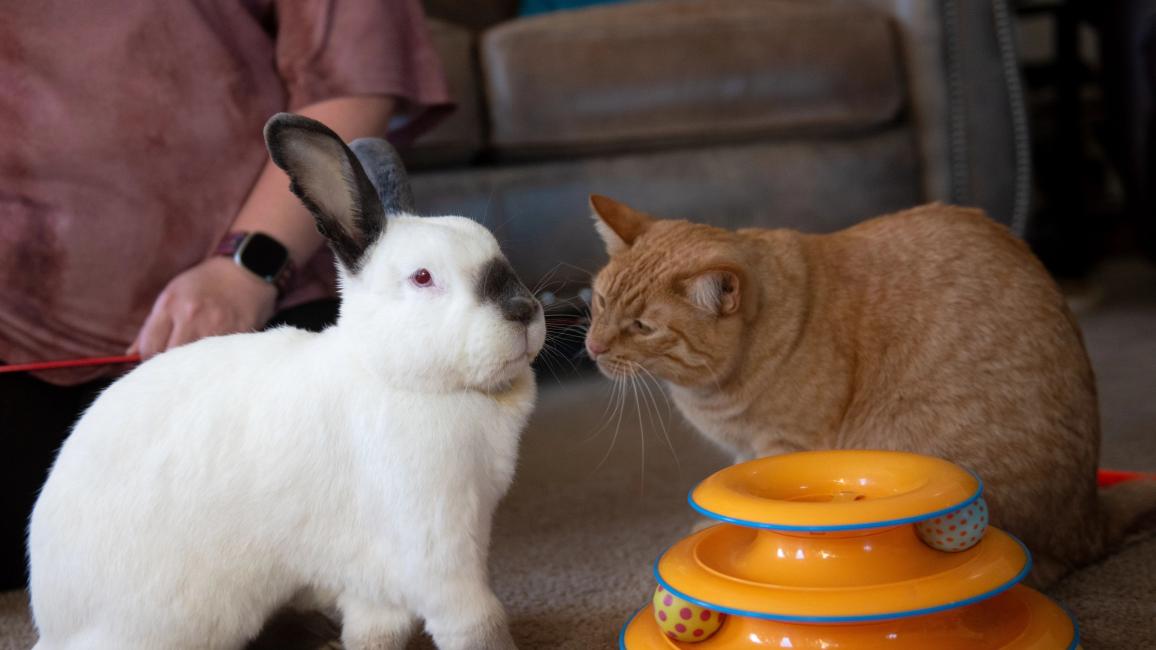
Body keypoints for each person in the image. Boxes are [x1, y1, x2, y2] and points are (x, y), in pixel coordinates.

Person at [0, 0, 451, 590]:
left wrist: (246, 267)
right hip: (20, 334)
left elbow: (353, 74)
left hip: (266, 295)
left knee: (332, 534)